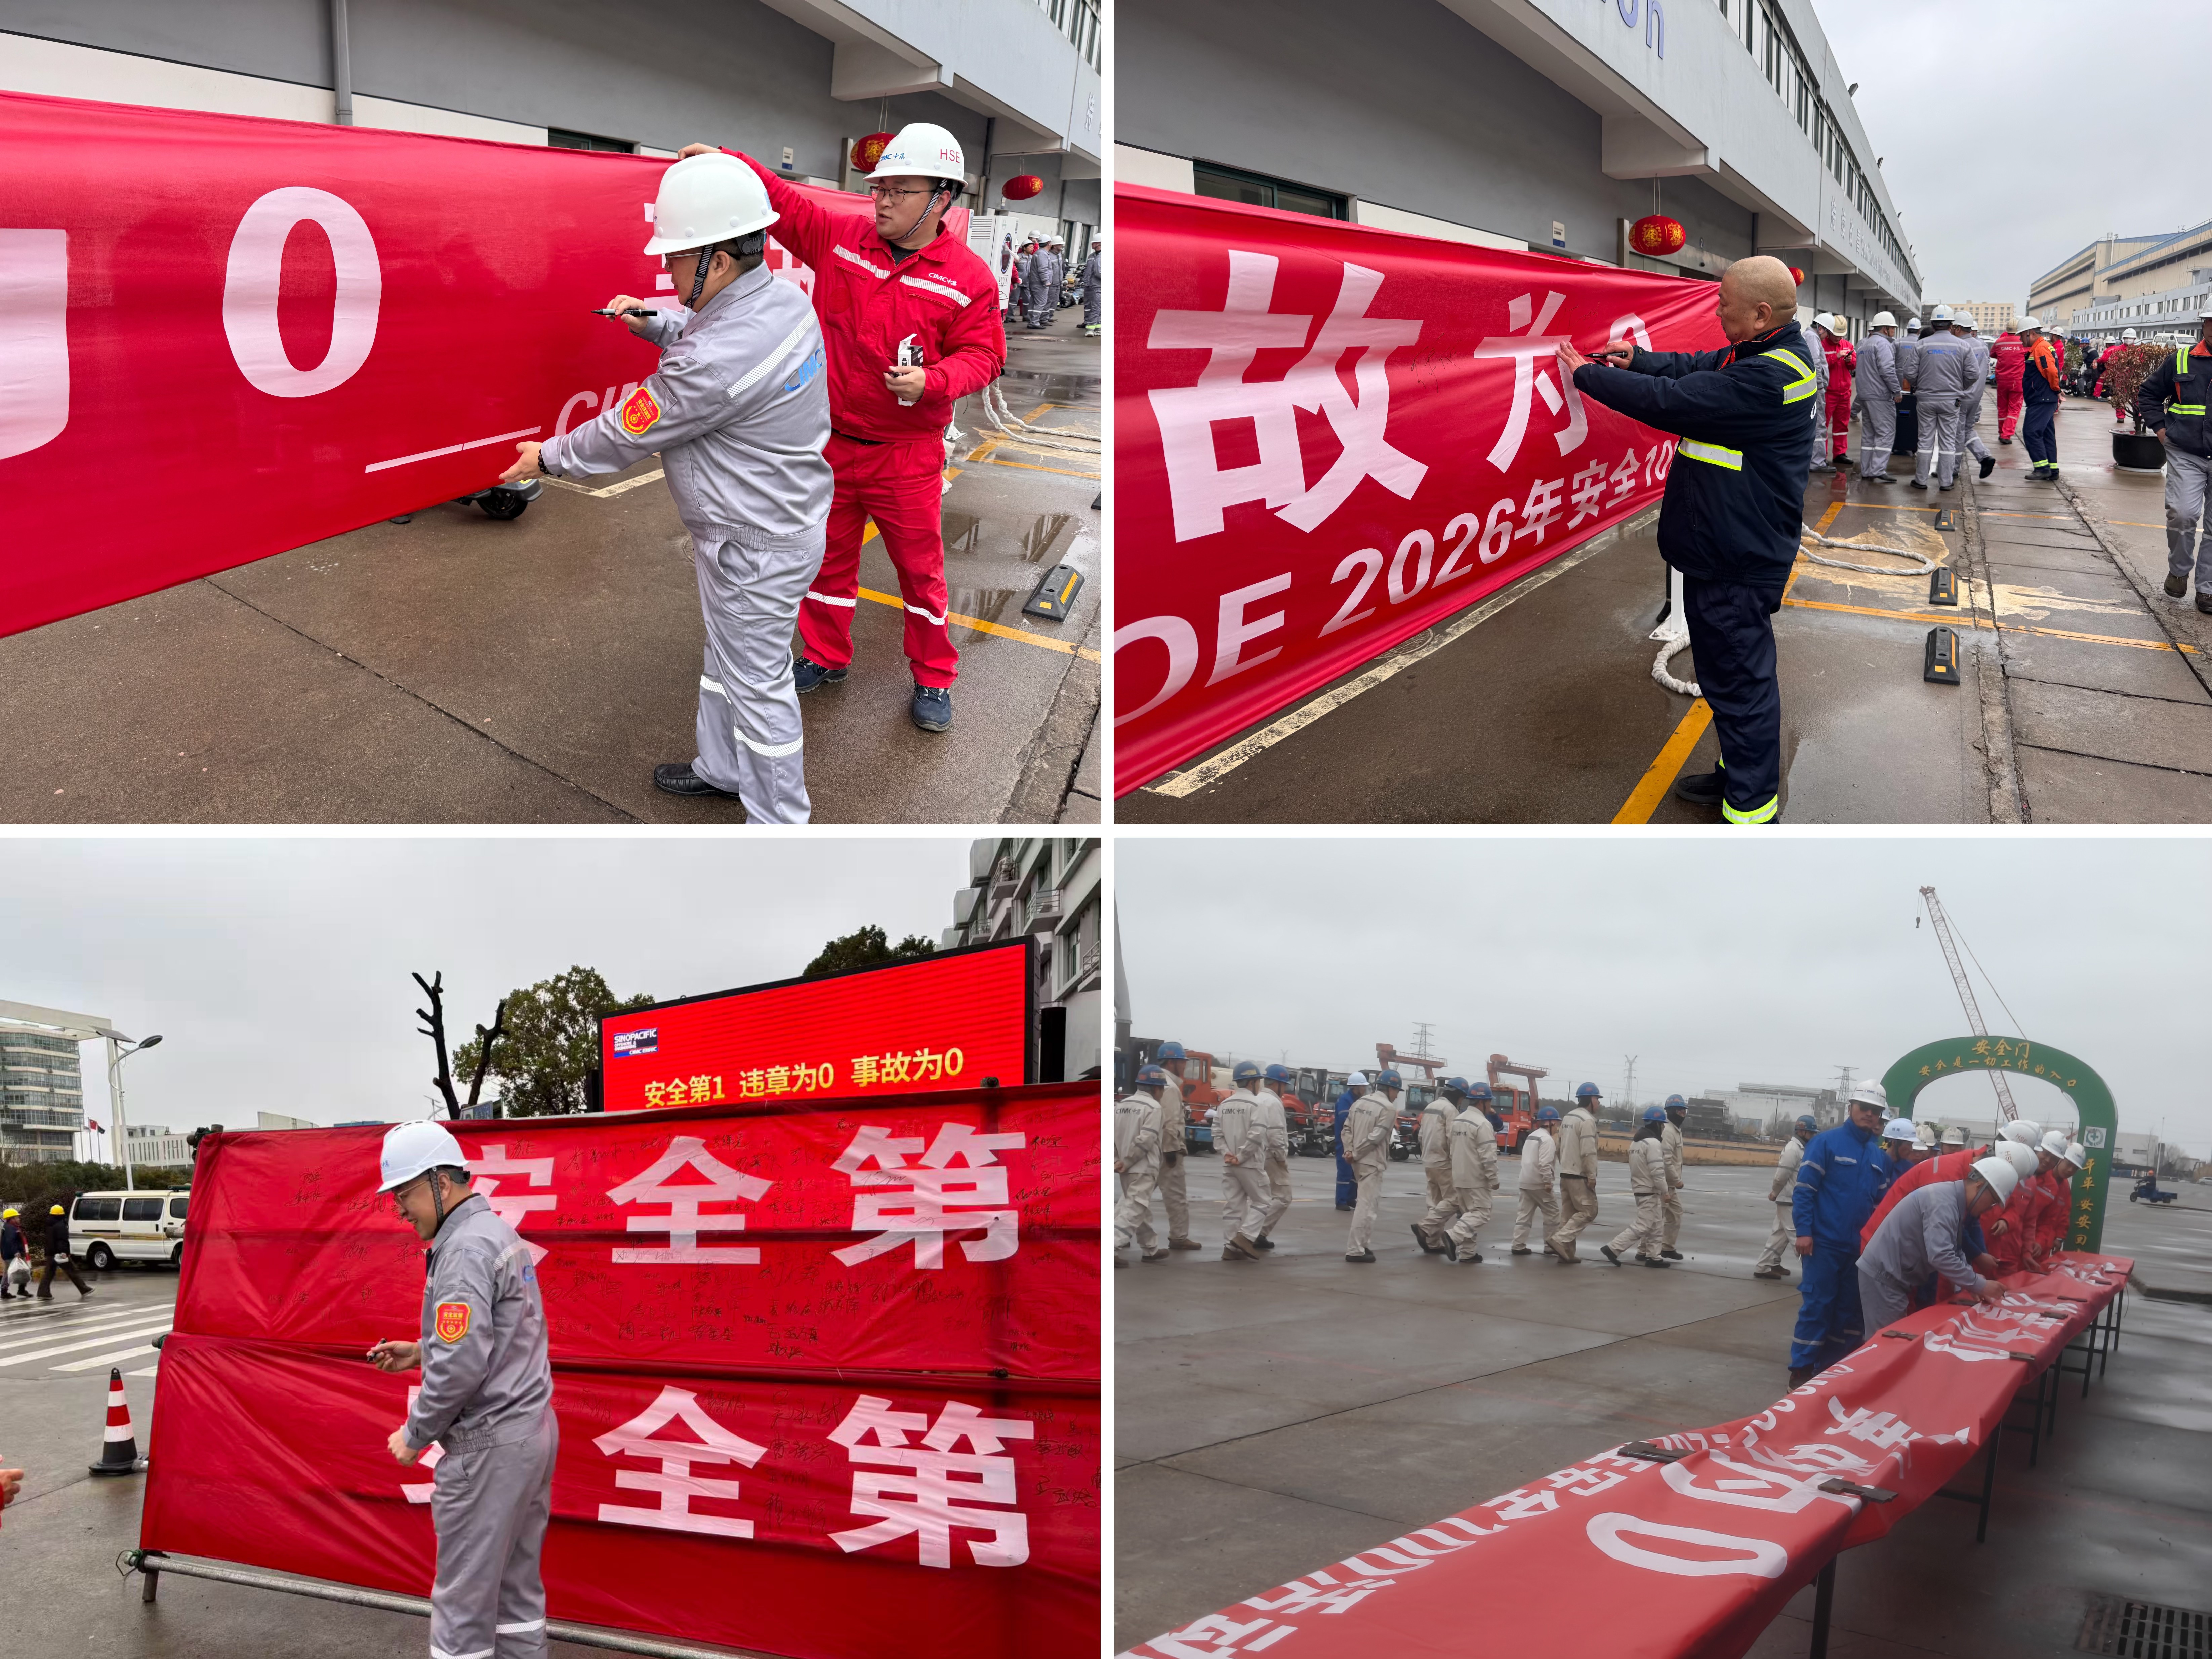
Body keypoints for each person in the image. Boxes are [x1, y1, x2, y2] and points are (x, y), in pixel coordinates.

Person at [505, 154, 829, 819]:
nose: (669, 270)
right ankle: (722, 768)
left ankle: (780, 827)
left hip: (753, 544)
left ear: (720, 259)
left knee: (758, 686)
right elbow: (718, 339)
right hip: (770, 526)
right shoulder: (782, 301)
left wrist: (550, 458)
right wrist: (654, 323)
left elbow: (628, 429)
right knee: (728, 660)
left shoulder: (713, 361)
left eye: (677, 257)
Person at [676, 125, 1007, 735]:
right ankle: (826, 656)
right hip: (828, 445)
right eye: (878, 189)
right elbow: (784, 202)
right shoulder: (842, 240)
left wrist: (932, 381)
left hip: (905, 455)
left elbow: (984, 356)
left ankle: (934, 675)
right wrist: (730, 161)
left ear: (942, 199)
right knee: (827, 562)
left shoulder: (968, 279)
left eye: (899, 191)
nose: (882, 202)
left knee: (920, 573)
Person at [1560, 256, 1817, 826]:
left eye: (1724, 303)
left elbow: (1674, 401)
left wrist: (1589, 376)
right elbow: (1696, 367)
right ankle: (1738, 774)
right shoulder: (1758, 354)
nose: (1717, 310)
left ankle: (1749, 812)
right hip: (1724, 546)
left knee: (1740, 681)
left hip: (1736, 557)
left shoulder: (1769, 377)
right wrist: (1639, 360)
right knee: (1726, 677)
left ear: (1760, 313)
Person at [369, 1121, 556, 1659]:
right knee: (516, 1594)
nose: (400, 1210)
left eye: (405, 1194)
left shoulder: (464, 1250)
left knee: (462, 1606)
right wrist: (421, 1351)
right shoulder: (494, 1234)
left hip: (489, 1447)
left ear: (442, 1183)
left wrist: (415, 1433)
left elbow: (460, 1367)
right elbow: (500, 1336)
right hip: (528, 1433)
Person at [1788, 1083, 1893, 1386]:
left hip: (1858, 1250)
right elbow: (1805, 1191)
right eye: (1864, 1108)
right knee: (1818, 1305)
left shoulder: (1878, 1157)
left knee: (1848, 1310)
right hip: (1823, 1245)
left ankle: (1830, 1369)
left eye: (1875, 1111)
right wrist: (1804, 1232)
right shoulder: (1826, 1143)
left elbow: (1881, 1207)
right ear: (1851, 1108)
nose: (1869, 1114)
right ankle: (1802, 1369)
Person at [1858, 1157, 2015, 1333]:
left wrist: (1973, 1283)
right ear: (1979, 1187)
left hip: (1892, 1276)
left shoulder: (1952, 1200)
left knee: (1891, 1340)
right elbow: (1941, 1255)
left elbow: (1954, 1250)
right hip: (1885, 1277)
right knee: (1886, 1343)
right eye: (1993, 1201)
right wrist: (1979, 1284)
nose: (1992, 1208)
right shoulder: (1944, 1203)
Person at [2138, 307, 2212, 614]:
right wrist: (2161, 431)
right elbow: (2149, 394)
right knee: (2182, 514)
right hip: (2186, 451)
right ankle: (2179, 570)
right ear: (2204, 324)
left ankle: (2208, 589)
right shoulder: (2181, 360)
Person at [1905, 305, 1975, 493]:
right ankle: (1946, 482)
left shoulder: (1921, 345)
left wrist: (1919, 385)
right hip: (1951, 401)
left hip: (1926, 400)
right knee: (1948, 442)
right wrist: (1960, 387)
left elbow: (1909, 372)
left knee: (1925, 441)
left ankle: (1921, 480)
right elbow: (1974, 374)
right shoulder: (1963, 346)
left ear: (1933, 325)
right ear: (1951, 325)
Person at [1604, 1107, 1674, 1267]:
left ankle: (1654, 1257)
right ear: (1657, 1125)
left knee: (1656, 1225)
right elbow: (1657, 1171)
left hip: (1640, 1188)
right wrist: (1665, 1191)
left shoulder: (1636, 1143)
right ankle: (1613, 1248)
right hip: (1649, 1190)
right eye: (1662, 1125)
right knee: (1643, 1225)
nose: (1664, 1128)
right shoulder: (1653, 1143)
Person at [1342, 1071, 1401, 1263]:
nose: (1397, 1096)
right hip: (1371, 1161)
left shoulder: (1360, 1103)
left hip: (1356, 1161)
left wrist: (1350, 1151)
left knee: (1367, 1204)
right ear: (1390, 1089)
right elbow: (1376, 1138)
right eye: (1397, 1091)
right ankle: (1355, 1250)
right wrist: (1357, 1153)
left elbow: (1347, 1129)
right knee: (1367, 1206)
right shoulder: (1388, 1109)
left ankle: (1363, 1245)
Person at [1114, 1067, 1170, 1266]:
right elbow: (1146, 1140)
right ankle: (1111, 1246)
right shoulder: (1154, 1108)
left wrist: (1117, 1160)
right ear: (1156, 1089)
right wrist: (1129, 1160)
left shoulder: (1120, 1106)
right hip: (1143, 1167)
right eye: (1162, 1089)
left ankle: (1150, 1248)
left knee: (1139, 1207)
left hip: (1125, 1169)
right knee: (1135, 1208)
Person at [1214, 1062, 1270, 1261]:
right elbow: (1257, 1135)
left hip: (1229, 1164)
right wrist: (1242, 1156)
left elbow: (1217, 1133)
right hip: (1250, 1163)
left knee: (1234, 1205)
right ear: (1252, 1082)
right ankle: (1245, 1237)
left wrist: (1227, 1154)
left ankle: (1230, 1248)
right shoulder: (1258, 1105)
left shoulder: (1224, 1105)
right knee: (1263, 1201)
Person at [1151, 1043, 1201, 1251]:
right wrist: (1172, 1150)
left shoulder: (1153, 1082)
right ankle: (1179, 1236)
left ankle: (1118, 1232)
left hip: (1151, 1149)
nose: (1184, 1066)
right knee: (1176, 1196)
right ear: (1172, 1062)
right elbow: (1170, 1123)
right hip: (1167, 1152)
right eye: (1182, 1062)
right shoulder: (1170, 1088)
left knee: (1137, 1195)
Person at [1441, 1087, 1500, 1264]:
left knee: (1468, 1214)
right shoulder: (1483, 1124)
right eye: (1490, 1102)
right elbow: (1488, 1157)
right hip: (1477, 1179)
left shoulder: (1458, 1120)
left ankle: (1468, 1253)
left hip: (1459, 1176)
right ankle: (1453, 1236)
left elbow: (1451, 1149)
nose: (1491, 1106)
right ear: (1483, 1102)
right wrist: (1494, 1179)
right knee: (1481, 1213)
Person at [1547, 1082, 1605, 1261]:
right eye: (1597, 1099)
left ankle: (1567, 1254)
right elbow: (1588, 1151)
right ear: (1591, 1100)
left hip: (1566, 1173)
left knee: (1569, 1214)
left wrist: (1564, 1166)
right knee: (1589, 1211)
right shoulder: (1587, 1121)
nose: (1599, 1103)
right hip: (1580, 1175)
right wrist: (1591, 1175)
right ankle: (1560, 1240)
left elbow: (1559, 1147)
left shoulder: (1568, 1118)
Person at [1754, 1116, 1817, 1280]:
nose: (1813, 1136)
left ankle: (1765, 1265)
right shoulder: (1792, 1150)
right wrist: (1775, 1193)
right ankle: (1815, 1273)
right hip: (1789, 1200)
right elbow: (1781, 1176)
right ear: (1801, 1131)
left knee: (1779, 1236)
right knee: (1797, 1236)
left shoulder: (1801, 1149)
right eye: (1811, 1133)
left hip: (1791, 1199)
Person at [1412, 1079, 1466, 1254]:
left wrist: (1426, 1154)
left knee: (1435, 1203)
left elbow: (1421, 1136)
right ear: (1459, 1096)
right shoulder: (1451, 1110)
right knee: (1454, 1200)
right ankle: (1425, 1227)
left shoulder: (1430, 1107)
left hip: (1429, 1160)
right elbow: (1453, 1139)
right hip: (1444, 1162)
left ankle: (1433, 1243)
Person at [1855, 312, 1906, 484]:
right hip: (1880, 397)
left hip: (1865, 395)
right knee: (1886, 432)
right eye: (1893, 328)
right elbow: (1888, 371)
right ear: (1886, 329)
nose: (1894, 332)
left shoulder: (1865, 345)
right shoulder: (1883, 345)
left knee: (1869, 434)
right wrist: (1897, 391)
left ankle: (1867, 470)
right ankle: (1878, 469)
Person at [1251, 1064, 1296, 1250]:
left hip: (1255, 1155)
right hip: (1271, 1157)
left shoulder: (1256, 1098)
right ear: (1278, 1084)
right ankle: (1255, 1233)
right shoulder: (1274, 1103)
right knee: (1283, 1197)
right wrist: (1282, 1158)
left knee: (1260, 1198)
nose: (1284, 1090)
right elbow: (1276, 1134)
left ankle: (1252, 1233)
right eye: (1284, 1086)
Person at [2017, 318, 2064, 481]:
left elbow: (2050, 371)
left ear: (2030, 333)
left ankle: (2042, 469)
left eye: (2022, 336)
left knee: (2031, 432)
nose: (2021, 339)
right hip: (2044, 399)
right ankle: (2052, 469)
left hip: (2042, 399)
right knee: (2047, 435)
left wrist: (2057, 389)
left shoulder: (2041, 348)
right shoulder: (2041, 347)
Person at [1513, 1105, 1562, 1256]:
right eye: (1557, 1123)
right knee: (1553, 1213)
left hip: (1525, 1181)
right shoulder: (1547, 1140)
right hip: (1539, 1183)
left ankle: (1518, 1245)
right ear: (1551, 1122)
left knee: (1524, 1215)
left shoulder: (1532, 1136)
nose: (1557, 1127)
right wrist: (1548, 1182)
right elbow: (1545, 1163)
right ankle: (1551, 1246)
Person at [1953, 318, 1997, 479]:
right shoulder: (1981, 345)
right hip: (1976, 396)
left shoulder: (1959, 346)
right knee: (1967, 430)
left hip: (1962, 396)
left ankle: (1952, 469)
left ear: (1958, 328)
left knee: (1957, 434)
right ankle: (1984, 457)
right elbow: (1986, 369)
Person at [1816, 316, 1856, 471]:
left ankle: (1840, 454)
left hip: (1844, 393)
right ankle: (1821, 456)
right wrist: (1836, 357)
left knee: (1842, 426)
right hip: (1828, 393)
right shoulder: (1822, 345)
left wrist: (1850, 361)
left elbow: (1854, 365)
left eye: (1841, 336)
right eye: (1835, 335)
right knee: (1822, 426)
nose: (1838, 338)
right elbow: (1820, 365)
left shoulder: (1848, 345)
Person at [37, 1203, 92, 1299]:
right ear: (62, 1215)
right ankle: (84, 1289)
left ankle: (43, 1293)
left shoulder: (49, 1225)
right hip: (60, 1254)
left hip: (50, 1253)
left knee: (49, 1273)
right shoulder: (61, 1225)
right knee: (72, 1271)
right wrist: (64, 1253)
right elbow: (62, 1240)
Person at [1658, 1094, 1688, 1261]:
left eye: (1684, 1111)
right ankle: (1646, 1250)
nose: (1683, 1114)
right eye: (1679, 1111)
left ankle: (1667, 1247)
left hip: (1670, 1185)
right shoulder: (1669, 1132)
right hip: (1664, 1184)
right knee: (1655, 1219)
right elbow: (1666, 1161)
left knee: (1675, 1214)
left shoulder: (1676, 1131)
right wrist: (1677, 1180)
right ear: (1670, 1112)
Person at [1332, 1072, 1367, 1211]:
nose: (1365, 1089)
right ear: (1356, 1087)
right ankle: (1341, 1201)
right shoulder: (1345, 1100)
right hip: (1344, 1142)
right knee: (1345, 1172)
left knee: (1354, 1173)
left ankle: (1350, 1198)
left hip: (1356, 1141)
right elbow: (1345, 1121)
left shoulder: (1358, 1101)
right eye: (1363, 1087)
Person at [1993, 322, 2026, 443]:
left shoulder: (1999, 342)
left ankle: (2002, 432)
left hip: (2002, 381)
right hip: (2018, 381)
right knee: (2014, 409)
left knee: (2002, 409)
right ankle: (2006, 435)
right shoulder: (2023, 343)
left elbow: (1993, 354)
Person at [1895, 316, 1922, 461]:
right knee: (1913, 418)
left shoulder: (1898, 342)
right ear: (1919, 330)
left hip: (1897, 384)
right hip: (1914, 386)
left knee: (1898, 415)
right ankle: (1912, 444)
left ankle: (1897, 442)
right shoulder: (1921, 344)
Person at [0, 1206, 28, 1300]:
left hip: (9, 1254)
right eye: (17, 1217)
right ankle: (6, 1292)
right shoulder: (10, 1228)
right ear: (11, 1219)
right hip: (12, 1255)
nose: (19, 1219)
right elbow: (10, 1242)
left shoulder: (11, 1227)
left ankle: (19, 1290)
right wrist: (16, 1252)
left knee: (11, 1272)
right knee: (10, 1273)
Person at [1081, 239, 1101, 336]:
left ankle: (1091, 328)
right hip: (1089, 286)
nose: (1092, 244)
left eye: (1094, 243)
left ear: (1099, 244)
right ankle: (1094, 325)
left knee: (1096, 307)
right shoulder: (1091, 256)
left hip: (1098, 286)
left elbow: (1099, 273)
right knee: (1089, 307)